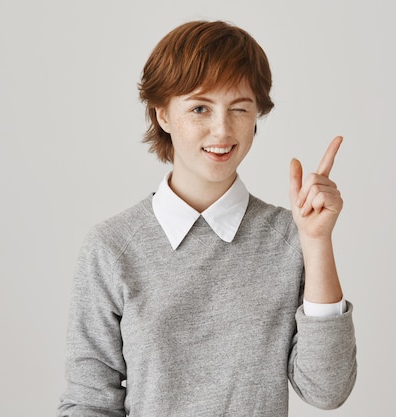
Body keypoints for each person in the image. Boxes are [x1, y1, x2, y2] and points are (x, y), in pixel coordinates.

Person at [58, 20, 356, 416]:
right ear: (162, 114)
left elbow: (326, 389)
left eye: (239, 108)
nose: (222, 129)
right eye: (200, 108)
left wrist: (317, 242)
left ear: (256, 117)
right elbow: (88, 402)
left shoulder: (290, 237)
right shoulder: (112, 246)